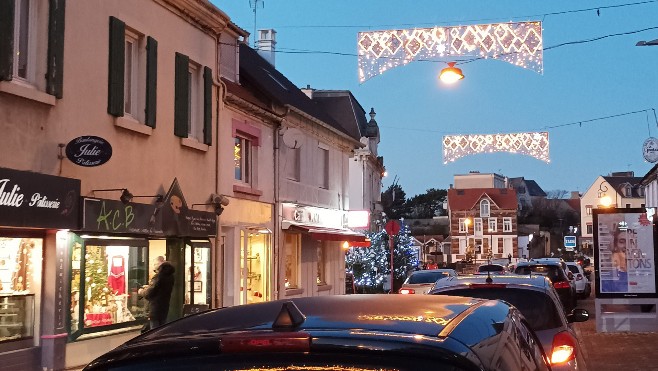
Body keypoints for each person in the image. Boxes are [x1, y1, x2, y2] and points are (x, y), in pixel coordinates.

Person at [138, 258, 175, 330]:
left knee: (154, 332)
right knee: (161, 331)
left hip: (155, 309)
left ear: (160, 264)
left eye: (155, 264)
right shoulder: (170, 276)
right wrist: (149, 286)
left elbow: (149, 293)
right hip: (164, 308)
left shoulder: (159, 276)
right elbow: (160, 289)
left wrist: (141, 291)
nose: (153, 266)